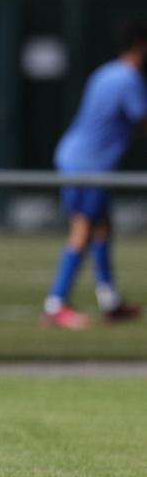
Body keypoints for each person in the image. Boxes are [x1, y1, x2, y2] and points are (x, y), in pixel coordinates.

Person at [41, 20, 147, 329]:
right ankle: (56, 303)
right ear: (140, 45)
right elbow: (141, 122)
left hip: (78, 156)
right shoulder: (129, 79)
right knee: (83, 228)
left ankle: (110, 301)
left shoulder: (105, 72)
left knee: (102, 228)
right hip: (87, 163)